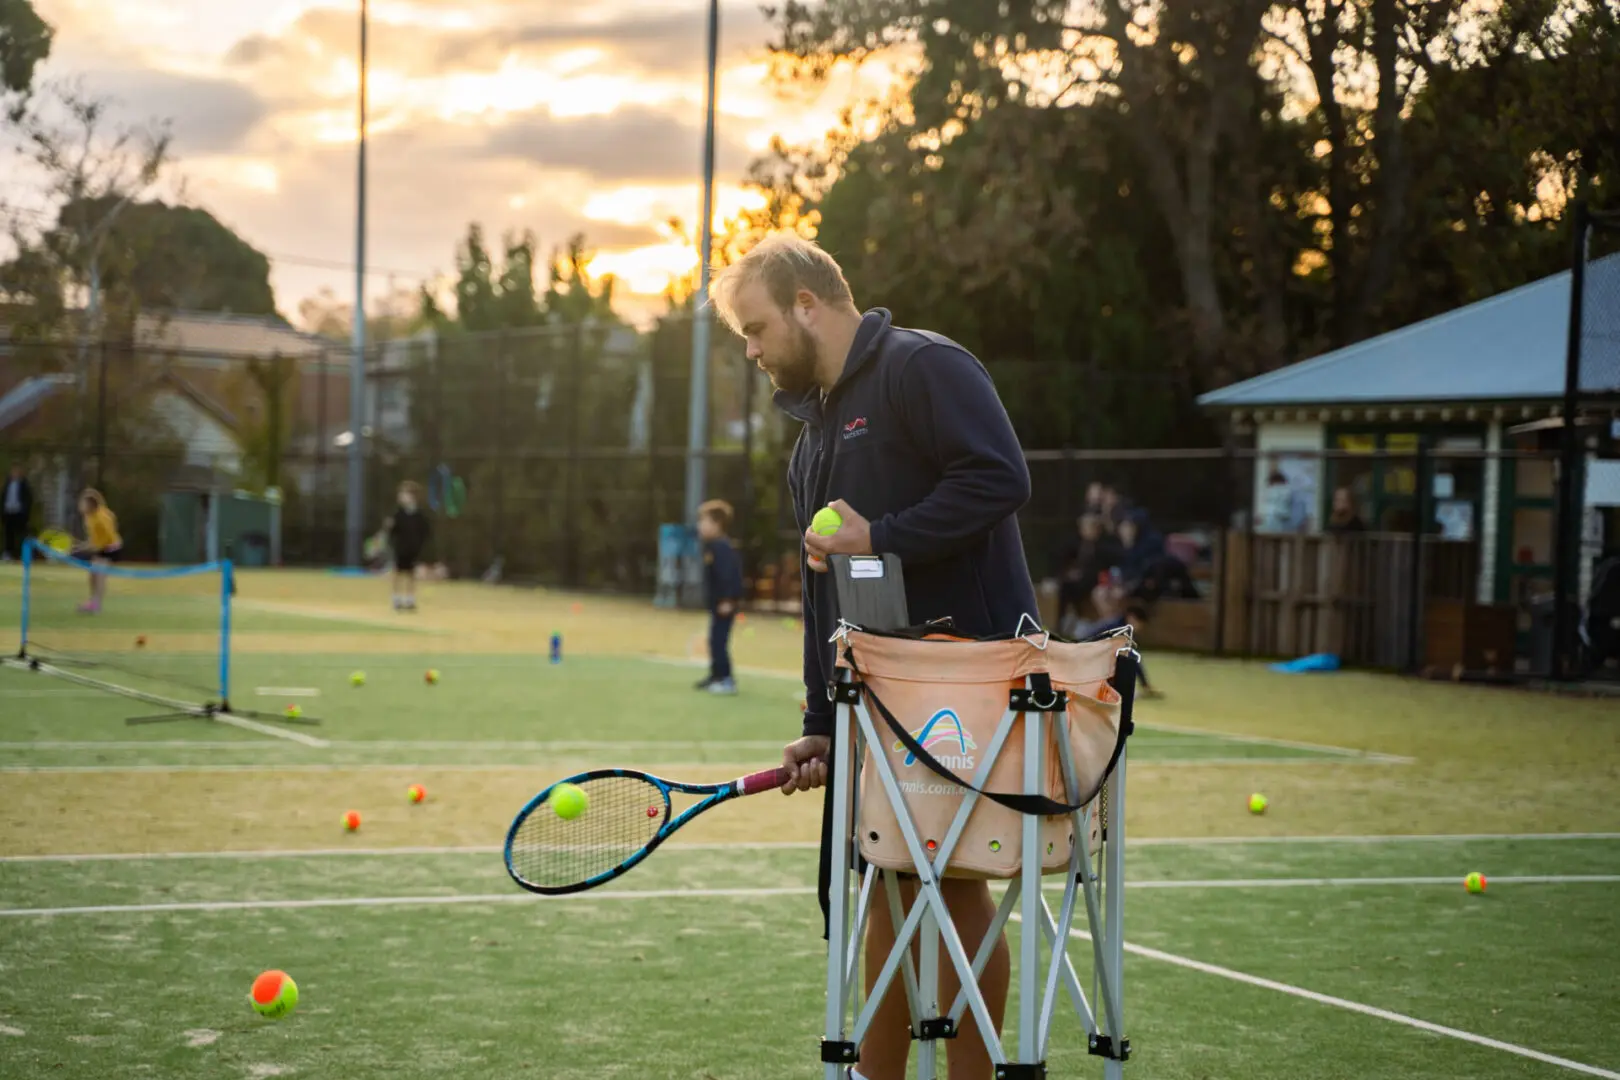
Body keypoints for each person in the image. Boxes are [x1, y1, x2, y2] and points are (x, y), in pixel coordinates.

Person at [711, 233, 1039, 1080]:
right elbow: (829, 597)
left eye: (755, 328)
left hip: (962, 682)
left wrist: (881, 536)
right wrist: (821, 721)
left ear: (806, 305)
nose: (749, 350)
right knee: (879, 883)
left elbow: (999, 477)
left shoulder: (924, 367)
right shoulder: (810, 442)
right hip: (872, 704)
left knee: (952, 890)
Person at [694, 499, 744, 695]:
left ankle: (726, 679)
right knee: (713, 640)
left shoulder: (722, 548)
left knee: (719, 641)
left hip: (725, 605)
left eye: (704, 521)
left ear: (716, 524)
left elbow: (729, 576)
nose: (700, 526)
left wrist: (728, 600)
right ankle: (715, 675)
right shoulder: (712, 546)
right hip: (717, 604)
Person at [72, 488, 122, 614]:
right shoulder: (89, 517)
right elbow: (93, 540)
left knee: (100, 575)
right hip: (101, 548)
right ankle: (93, 603)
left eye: (83, 502)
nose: (80, 505)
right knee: (93, 575)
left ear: (90, 504)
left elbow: (108, 537)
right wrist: (78, 547)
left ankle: (97, 606)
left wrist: (85, 548)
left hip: (111, 549)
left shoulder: (101, 517)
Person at [387, 481, 430, 611]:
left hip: (413, 548)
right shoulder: (398, 514)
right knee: (398, 573)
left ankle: (410, 599)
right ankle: (396, 599)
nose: (402, 497)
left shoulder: (419, 515)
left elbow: (425, 531)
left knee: (411, 574)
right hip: (401, 548)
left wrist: (419, 545)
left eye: (404, 494)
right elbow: (393, 531)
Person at [2, 464, 33, 562]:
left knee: (21, 534)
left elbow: (28, 499)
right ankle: (8, 554)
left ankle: (21, 554)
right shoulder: (7, 484)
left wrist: (25, 512)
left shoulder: (24, 484)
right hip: (8, 512)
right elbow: (3, 497)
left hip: (19, 512)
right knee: (9, 534)